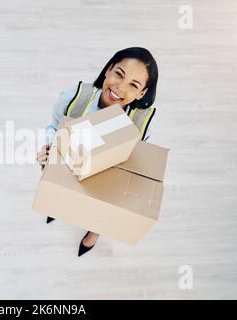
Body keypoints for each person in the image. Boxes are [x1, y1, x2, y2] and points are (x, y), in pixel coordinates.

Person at [36, 47, 159, 256]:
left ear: (142, 93)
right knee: (62, 194)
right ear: (108, 70)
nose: (120, 88)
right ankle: (57, 207)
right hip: (71, 167)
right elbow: (54, 125)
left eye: (134, 85)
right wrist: (48, 149)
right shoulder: (76, 96)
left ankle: (94, 233)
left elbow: (138, 162)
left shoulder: (142, 121)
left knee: (102, 208)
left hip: (106, 179)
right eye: (119, 74)